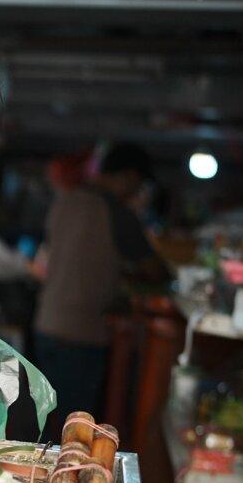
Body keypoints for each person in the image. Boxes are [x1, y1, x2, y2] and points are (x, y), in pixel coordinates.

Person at [32, 143, 171, 429]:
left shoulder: (65, 200)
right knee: (73, 427)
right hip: (82, 335)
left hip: (46, 324)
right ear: (130, 176)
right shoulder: (117, 213)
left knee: (43, 417)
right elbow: (156, 271)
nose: (137, 193)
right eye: (139, 185)